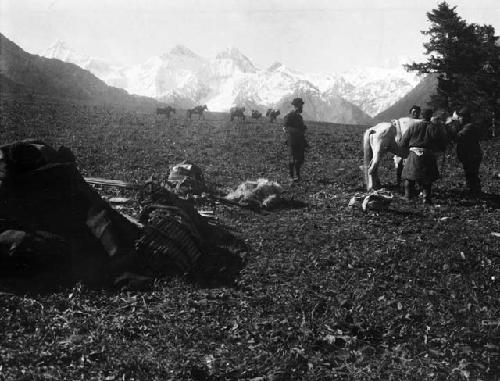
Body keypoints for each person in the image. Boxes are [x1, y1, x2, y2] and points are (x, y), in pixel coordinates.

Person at [399, 108, 447, 204]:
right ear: (430, 116)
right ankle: (426, 199)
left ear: (421, 115)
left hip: (413, 154)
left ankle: (408, 197)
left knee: (409, 176)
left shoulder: (413, 127)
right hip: (428, 154)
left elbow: (402, 143)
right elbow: (442, 144)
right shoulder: (435, 128)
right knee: (427, 178)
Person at [455, 107, 482, 196]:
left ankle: (475, 191)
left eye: (460, 117)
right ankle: (473, 190)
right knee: (470, 173)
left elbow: (458, 136)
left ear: (465, 117)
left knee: (472, 174)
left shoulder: (469, 127)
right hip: (470, 155)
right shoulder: (467, 126)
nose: (458, 119)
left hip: (472, 155)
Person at [283, 98, 307, 181]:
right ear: (296, 105)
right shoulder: (290, 115)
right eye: (300, 105)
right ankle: (291, 176)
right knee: (292, 158)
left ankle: (297, 174)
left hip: (300, 139)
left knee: (300, 158)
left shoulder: (299, 116)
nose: (301, 107)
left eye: (301, 105)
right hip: (293, 139)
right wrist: (296, 131)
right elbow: (285, 127)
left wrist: (303, 129)